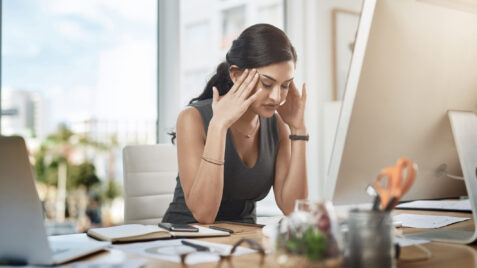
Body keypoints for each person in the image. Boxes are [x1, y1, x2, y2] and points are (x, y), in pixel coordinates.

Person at [162, 23, 308, 224]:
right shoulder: (192, 118)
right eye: (267, 83)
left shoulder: (277, 125)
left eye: (284, 86)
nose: (276, 97)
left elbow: (293, 209)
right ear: (237, 75)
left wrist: (298, 130)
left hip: (241, 242)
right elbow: (204, 215)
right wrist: (219, 125)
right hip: (184, 240)